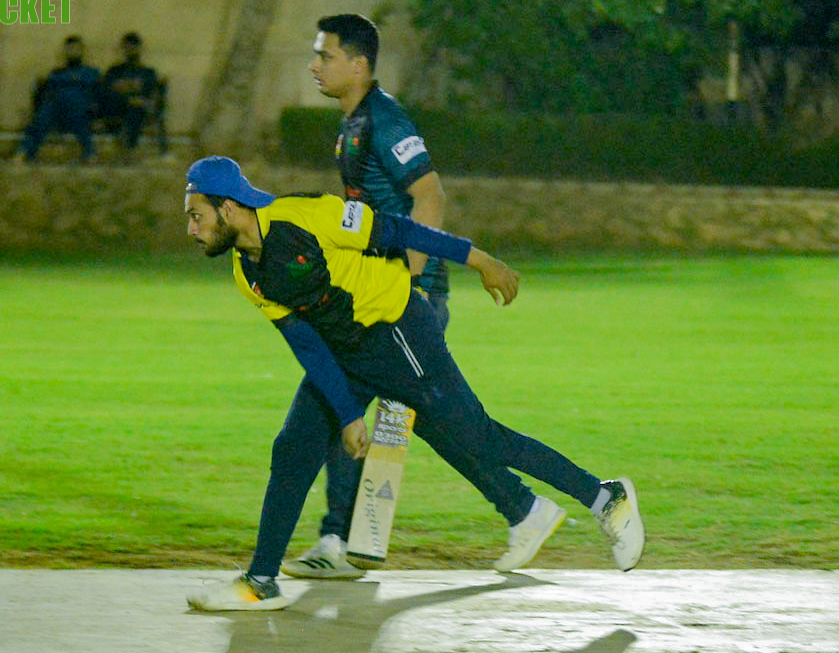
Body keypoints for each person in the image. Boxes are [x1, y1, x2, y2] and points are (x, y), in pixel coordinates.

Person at [181, 156, 645, 612]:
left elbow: (401, 231)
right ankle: (261, 582)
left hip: (398, 335)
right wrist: (347, 413)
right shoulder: (247, 272)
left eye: (197, 215)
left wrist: (480, 260)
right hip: (344, 354)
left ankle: (606, 498)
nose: (191, 229)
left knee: (478, 439)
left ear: (228, 208)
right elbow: (306, 344)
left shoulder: (307, 215)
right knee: (293, 448)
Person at [280, 13, 450, 580]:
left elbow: (430, 197)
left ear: (358, 65)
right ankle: (345, 539)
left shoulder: (384, 120)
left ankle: (338, 540)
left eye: (324, 55)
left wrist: (412, 284)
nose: (314, 65)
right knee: (399, 416)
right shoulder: (353, 122)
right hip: (378, 292)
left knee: (375, 410)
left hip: (405, 294)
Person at [16, 35, 101, 163]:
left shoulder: (91, 72)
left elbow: (98, 94)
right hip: (58, 112)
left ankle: (89, 152)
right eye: (70, 49)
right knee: (45, 114)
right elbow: (46, 92)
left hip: (81, 111)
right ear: (65, 51)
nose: (73, 52)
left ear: (82, 51)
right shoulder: (56, 73)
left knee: (70, 101)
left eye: (76, 49)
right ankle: (26, 151)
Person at [101, 32, 162, 159]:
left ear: (139, 49)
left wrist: (140, 101)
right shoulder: (114, 71)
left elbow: (152, 95)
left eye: (133, 47)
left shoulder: (148, 73)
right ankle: (126, 147)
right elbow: (106, 92)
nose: (130, 51)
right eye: (127, 47)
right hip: (116, 107)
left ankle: (128, 148)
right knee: (129, 107)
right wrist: (128, 99)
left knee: (136, 110)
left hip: (138, 109)